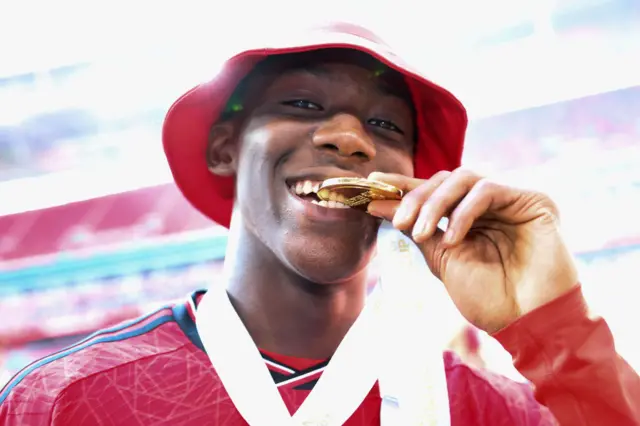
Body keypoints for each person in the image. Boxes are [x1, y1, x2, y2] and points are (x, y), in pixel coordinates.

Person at [1, 22, 639, 426]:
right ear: (225, 146)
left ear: (415, 183)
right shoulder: (64, 401)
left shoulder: (488, 409)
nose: (348, 139)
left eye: (387, 126)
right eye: (302, 104)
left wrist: (555, 327)